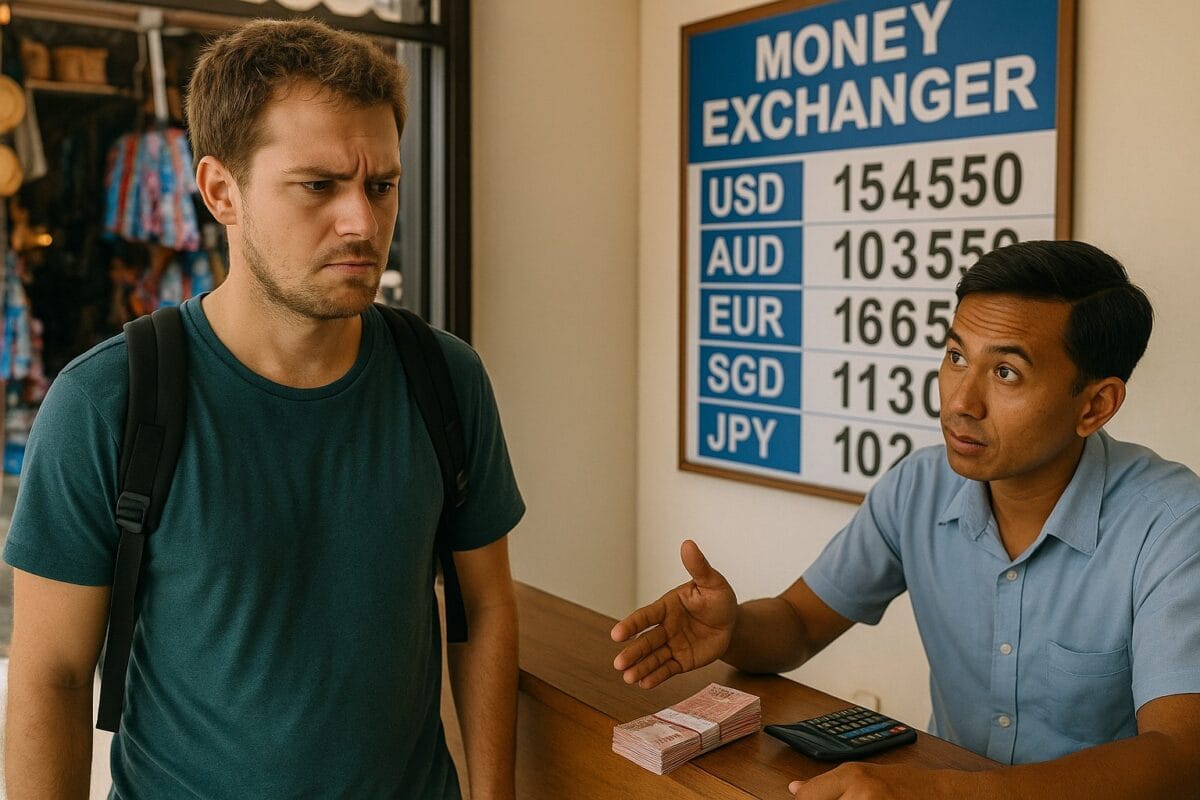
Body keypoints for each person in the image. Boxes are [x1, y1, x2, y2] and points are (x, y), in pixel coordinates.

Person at [4, 19, 524, 800]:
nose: (363, 223)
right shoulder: (107, 401)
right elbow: (53, 674)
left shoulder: (444, 378)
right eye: (318, 186)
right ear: (222, 191)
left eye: (380, 186)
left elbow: (483, 608)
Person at [612, 240, 1200, 799]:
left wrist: (944, 794)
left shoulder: (1173, 524)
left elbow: (1182, 758)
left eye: (1005, 373)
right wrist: (733, 629)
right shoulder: (918, 486)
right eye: (956, 357)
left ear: (1095, 405)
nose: (960, 402)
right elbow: (798, 623)